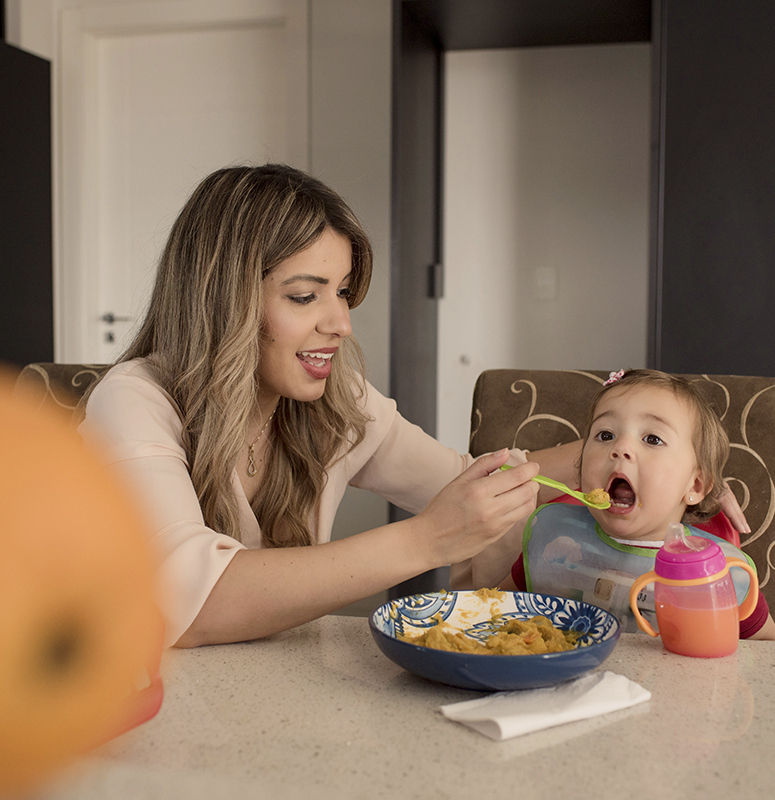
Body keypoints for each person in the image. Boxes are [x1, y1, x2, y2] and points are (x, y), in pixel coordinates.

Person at [77, 163, 586, 648]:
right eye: (304, 296)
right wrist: (426, 541)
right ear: (221, 299)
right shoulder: (133, 401)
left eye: (342, 293)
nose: (341, 323)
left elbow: (470, 484)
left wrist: (625, 452)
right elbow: (191, 603)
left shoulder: (336, 403)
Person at [497, 369, 775, 641]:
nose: (620, 448)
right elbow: (495, 614)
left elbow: (771, 653)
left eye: (652, 439)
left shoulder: (717, 574)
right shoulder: (554, 537)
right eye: (605, 435)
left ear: (694, 487)